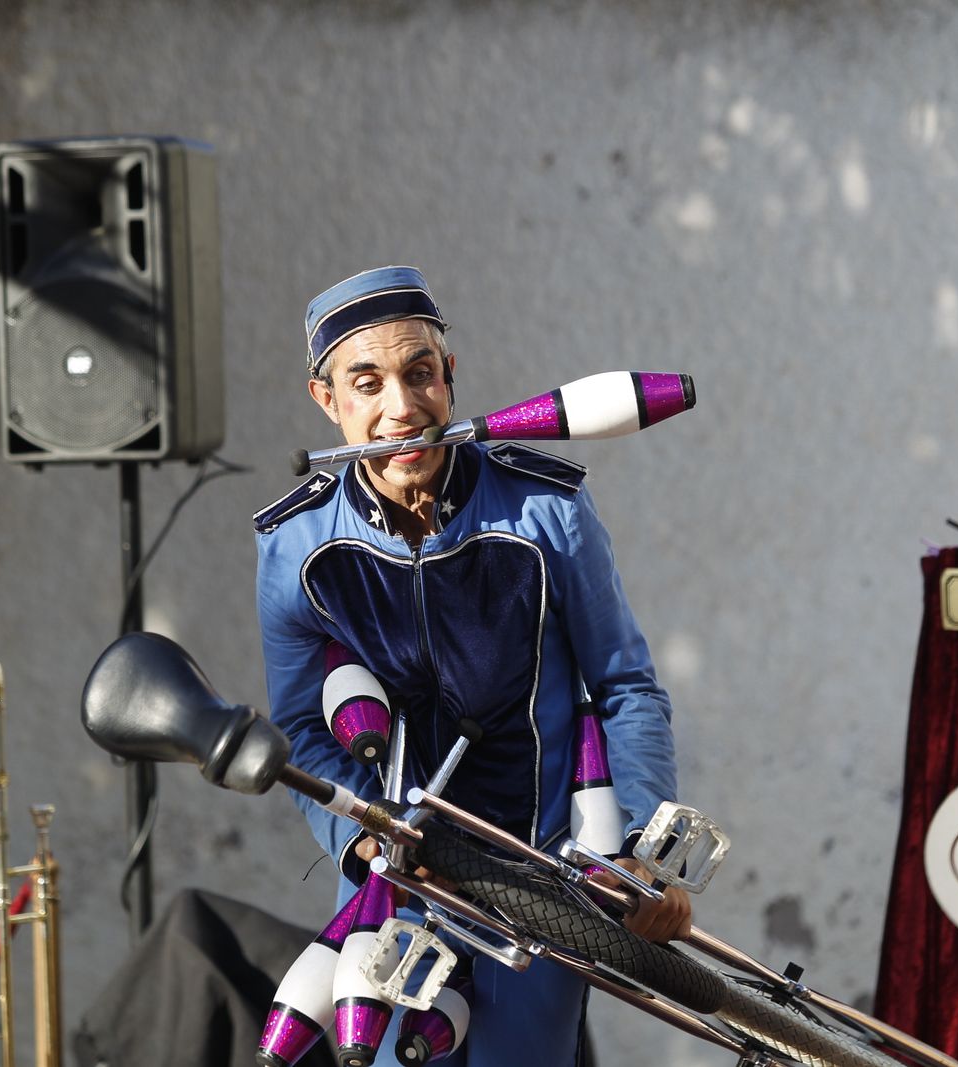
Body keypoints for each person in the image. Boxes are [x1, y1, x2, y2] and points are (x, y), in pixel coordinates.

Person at [254, 265, 688, 1066]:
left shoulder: (545, 509)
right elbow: (300, 728)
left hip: (543, 885)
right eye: (367, 382)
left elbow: (624, 685)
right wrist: (359, 844)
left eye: (420, 373)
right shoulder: (296, 548)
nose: (401, 407)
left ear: (450, 379)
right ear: (327, 402)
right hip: (393, 890)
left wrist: (638, 848)